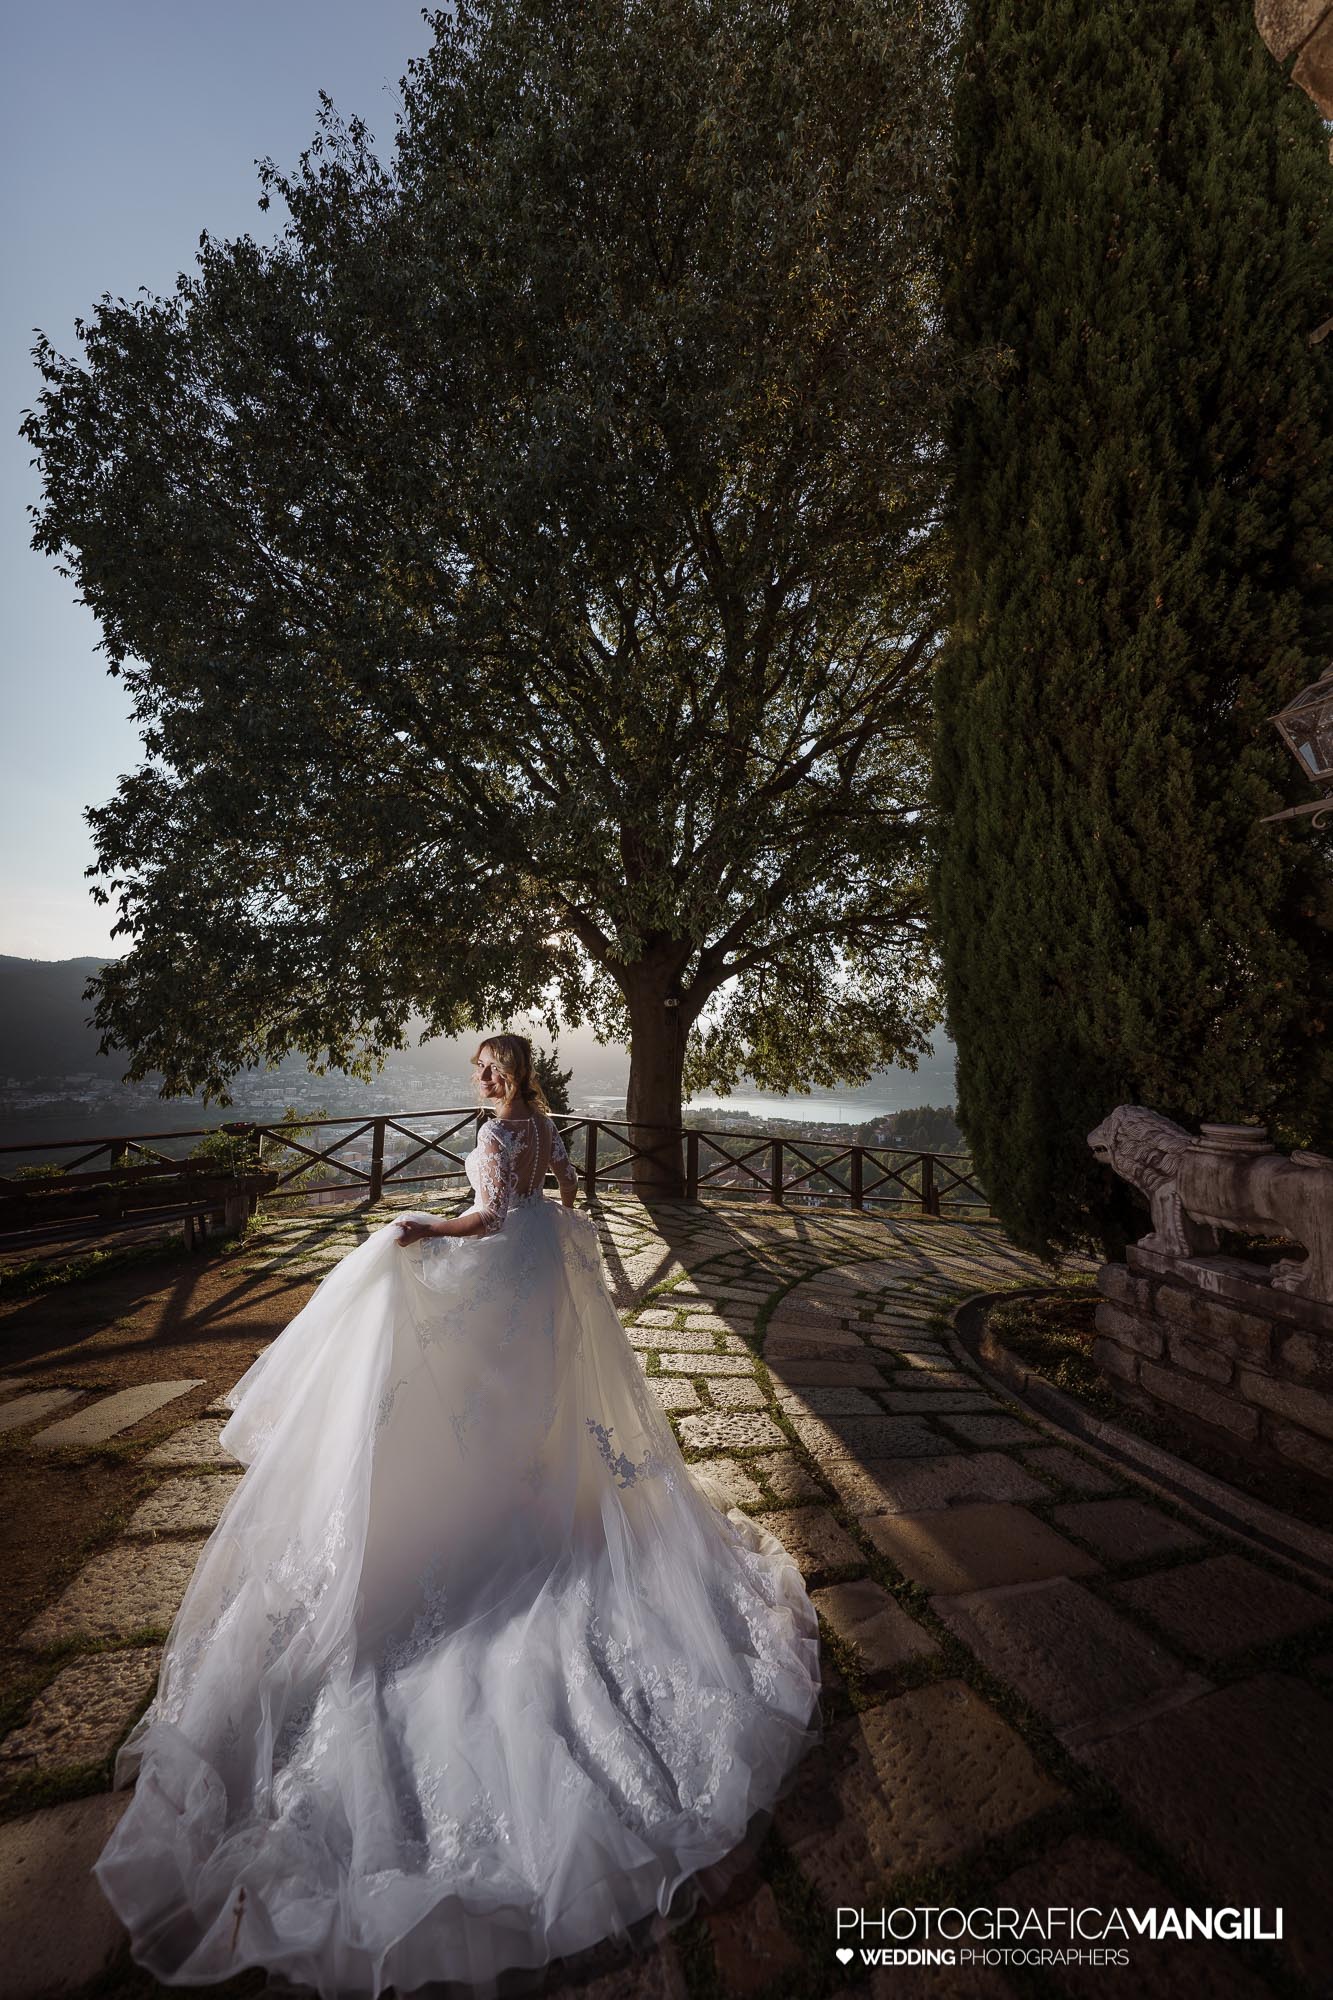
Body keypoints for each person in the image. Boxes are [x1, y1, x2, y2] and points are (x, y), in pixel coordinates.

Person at [92, 1032, 821, 1997]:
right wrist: (551, 1236)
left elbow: (485, 1216)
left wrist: (422, 1231)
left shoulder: (503, 1129)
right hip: (538, 1286)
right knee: (519, 1410)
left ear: (509, 1072)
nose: (482, 1080)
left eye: (490, 1068)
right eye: (480, 1069)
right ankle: (523, 1494)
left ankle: (490, 1515)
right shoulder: (547, 1126)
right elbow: (564, 1194)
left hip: (500, 1271)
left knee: (463, 1392)